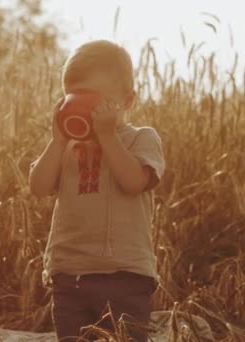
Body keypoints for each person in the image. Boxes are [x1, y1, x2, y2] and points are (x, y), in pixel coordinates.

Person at [28, 40, 166, 342]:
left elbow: (133, 182)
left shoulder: (141, 139)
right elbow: (38, 187)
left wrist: (107, 135)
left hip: (126, 276)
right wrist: (58, 141)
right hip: (69, 275)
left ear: (127, 101)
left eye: (97, 102)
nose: (87, 111)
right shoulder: (66, 147)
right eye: (75, 98)